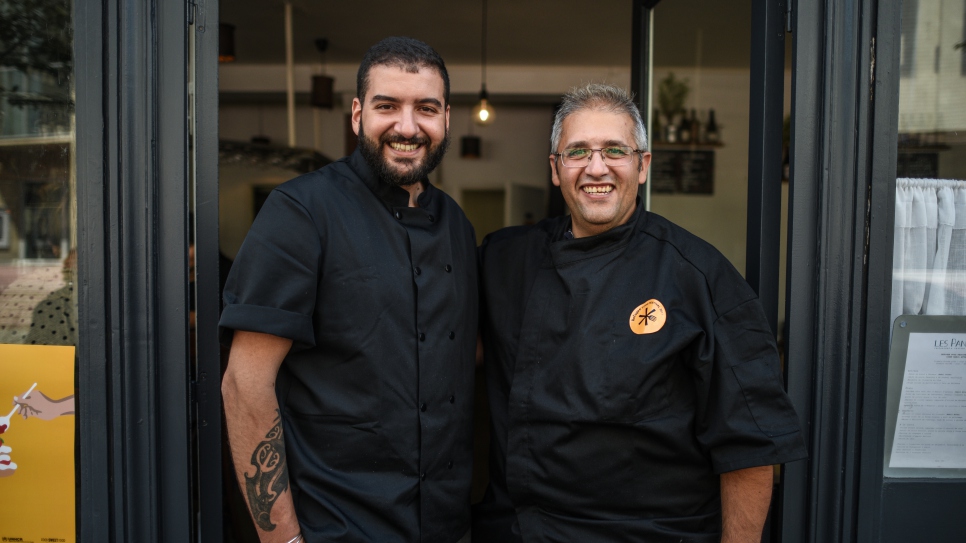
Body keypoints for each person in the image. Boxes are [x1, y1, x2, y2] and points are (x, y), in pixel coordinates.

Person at [472, 83, 807, 543]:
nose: (596, 167)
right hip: (519, 530)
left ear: (642, 165)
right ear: (555, 169)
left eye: (615, 150)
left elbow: (750, 447)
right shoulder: (505, 260)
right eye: (577, 152)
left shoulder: (699, 277)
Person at [220, 37, 478, 543]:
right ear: (357, 114)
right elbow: (244, 385)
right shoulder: (301, 211)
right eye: (388, 106)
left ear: (447, 118)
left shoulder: (458, 226)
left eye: (425, 108)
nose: (407, 127)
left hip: (445, 524)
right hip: (338, 526)